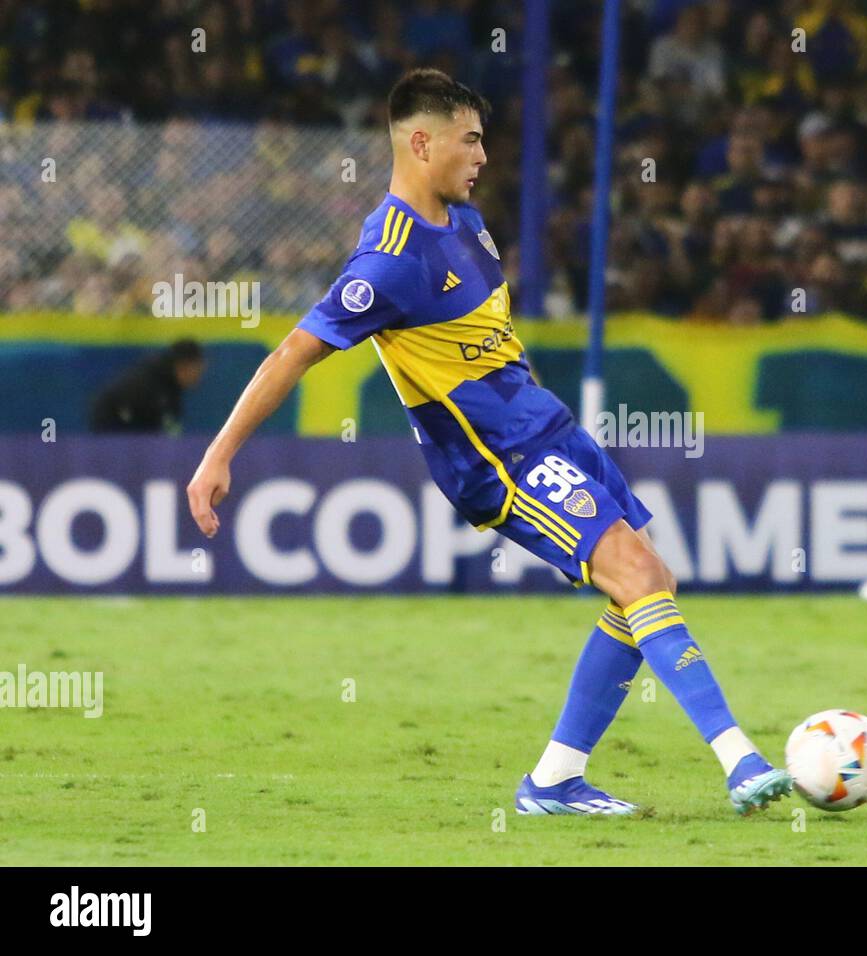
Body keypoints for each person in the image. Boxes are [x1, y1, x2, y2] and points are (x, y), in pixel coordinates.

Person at [186, 68, 792, 816]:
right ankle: (741, 760)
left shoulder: (470, 226)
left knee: (646, 584)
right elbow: (291, 355)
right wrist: (218, 457)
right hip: (496, 462)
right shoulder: (387, 262)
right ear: (420, 141)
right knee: (635, 571)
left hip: (549, 429)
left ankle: (553, 782)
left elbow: (495, 345)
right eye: (470, 140)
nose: (482, 155)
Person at [90, 339, 205, 434]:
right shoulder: (148, 385)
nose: (198, 377)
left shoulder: (170, 389)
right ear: (183, 366)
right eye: (197, 370)